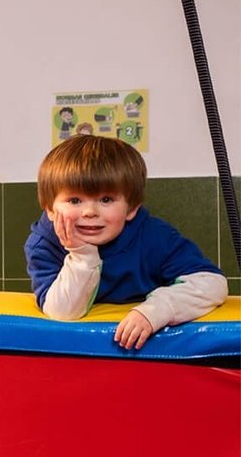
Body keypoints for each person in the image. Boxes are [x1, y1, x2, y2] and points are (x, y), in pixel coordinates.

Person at [24, 135, 226, 349]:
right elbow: (62, 313)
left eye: (106, 200)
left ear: (131, 209)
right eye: (74, 200)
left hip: (146, 349)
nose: (90, 212)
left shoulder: (154, 236)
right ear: (50, 209)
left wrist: (157, 310)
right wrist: (81, 255)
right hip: (78, 353)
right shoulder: (43, 243)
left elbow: (213, 282)